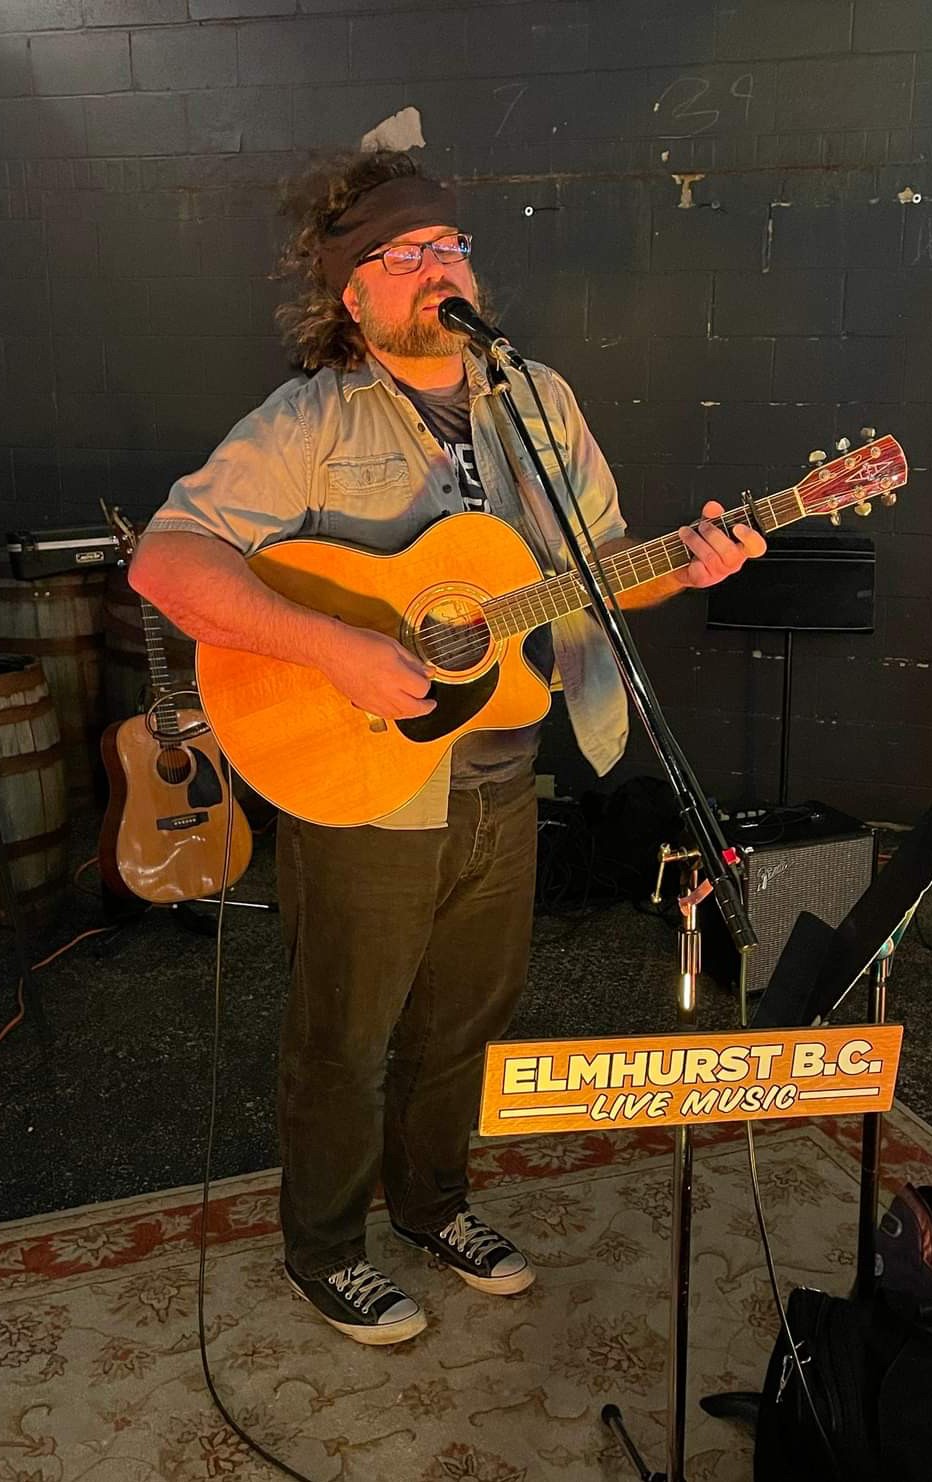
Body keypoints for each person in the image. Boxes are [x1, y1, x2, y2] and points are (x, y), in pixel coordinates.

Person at [130, 150, 766, 1348]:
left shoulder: (539, 401)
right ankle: (325, 1248)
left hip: (502, 765)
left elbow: (593, 578)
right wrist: (331, 646)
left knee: (466, 1016)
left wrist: (686, 564)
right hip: (366, 772)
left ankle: (431, 1207)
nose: (436, 269)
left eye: (449, 247)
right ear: (349, 295)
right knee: (346, 1031)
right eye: (401, 256)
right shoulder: (307, 421)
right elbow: (168, 562)